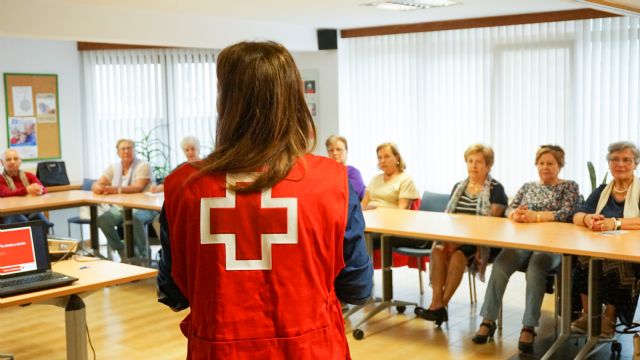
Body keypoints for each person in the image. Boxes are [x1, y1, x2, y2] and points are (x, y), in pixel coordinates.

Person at [157, 41, 373, 359]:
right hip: (310, 350)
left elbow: (173, 293)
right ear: (294, 100)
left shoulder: (184, 186)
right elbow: (357, 287)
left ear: (224, 101)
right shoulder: (332, 182)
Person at [472, 145, 580, 352]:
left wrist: (536, 217)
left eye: (550, 163)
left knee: (536, 268)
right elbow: (511, 207)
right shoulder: (528, 186)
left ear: (560, 165)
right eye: (541, 163)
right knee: (501, 265)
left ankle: (529, 325)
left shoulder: (570, 187)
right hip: (523, 242)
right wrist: (516, 214)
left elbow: (567, 213)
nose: (545, 167)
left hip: (552, 245)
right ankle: (488, 319)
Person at [422, 144, 508, 326]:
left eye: (478, 162)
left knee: (457, 257)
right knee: (438, 250)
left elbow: (490, 224)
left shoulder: (496, 189)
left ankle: (440, 306)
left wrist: (459, 240)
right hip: (455, 237)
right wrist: (451, 238)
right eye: (470, 161)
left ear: (488, 165)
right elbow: (450, 219)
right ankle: (436, 301)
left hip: (482, 243)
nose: (473, 166)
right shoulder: (458, 187)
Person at [571, 141, 640, 339]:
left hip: (631, 254)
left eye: (626, 160)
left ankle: (609, 318)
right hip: (600, 247)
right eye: (615, 160)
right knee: (583, 257)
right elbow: (577, 214)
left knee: (618, 263)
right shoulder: (602, 190)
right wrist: (588, 218)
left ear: (636, 164)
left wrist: (616, 223)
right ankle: (588, 314)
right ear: (609, 164)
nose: (620, 164)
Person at [92, 139, 157, 259]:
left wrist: (116, 189)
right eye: (123, 149)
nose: (126, 151)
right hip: (122, 207)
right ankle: (122, 251)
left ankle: (144, 255)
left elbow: (138, 187)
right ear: (118, 152)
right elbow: (98, 183)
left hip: (145, 206)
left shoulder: (143, 165)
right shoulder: (114, 167)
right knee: (103, 220)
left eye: (129, 148)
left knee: (135, 218)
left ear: (134, 150)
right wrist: (97, 187)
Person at [361, 142, 420, 209]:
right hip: (369, 217)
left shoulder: (406, 180)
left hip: (391, 218)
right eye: (379, 157)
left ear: (397, 157)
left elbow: (402, 211)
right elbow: (363, 205)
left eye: (387, 156)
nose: (382, 161)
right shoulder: (375, 179)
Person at [0, 149, 49, 224]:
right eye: (8, 159)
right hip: (8, 213)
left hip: (28, 209)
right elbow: (6, 194)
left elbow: (43, 189)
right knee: (20, 220)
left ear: (20, 161)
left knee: (40, 219)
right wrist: (26, 190)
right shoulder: (1, 179)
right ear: (2, 163)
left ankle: (43, 235)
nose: (12, 162)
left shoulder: (29, 175)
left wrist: (39, 189)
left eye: (16, 159)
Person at [325, 135, 365, 200]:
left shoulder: (353, 172)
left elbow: (350, 195)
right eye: (331, 150)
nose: (335, 153)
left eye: (338, 149)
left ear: (346, 151)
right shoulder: (324, 173)